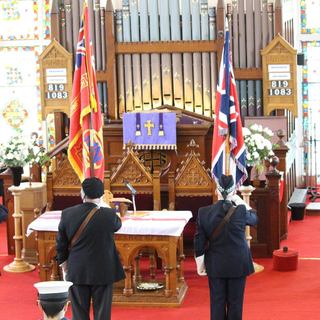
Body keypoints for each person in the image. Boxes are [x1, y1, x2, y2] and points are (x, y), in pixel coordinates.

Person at [56, 177, 125, 320]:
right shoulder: (109, 215)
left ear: (82, 193)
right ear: (101, 195)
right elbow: (118, 225)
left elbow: (61, 242)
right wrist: (104, 205)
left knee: (79, 313)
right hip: (103, 270)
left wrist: (63, 262)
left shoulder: (67, 213)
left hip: (78, 269)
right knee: (102, 313)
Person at [194, 174, 258, 320]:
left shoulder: (203, 212)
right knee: (236, 303)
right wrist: (239, 200)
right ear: (233, 192)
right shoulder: (241, 211)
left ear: (217, 191)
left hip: (216, 263)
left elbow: (199, 241)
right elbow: (255, 219)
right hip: (238, 263)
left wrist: (200, 264)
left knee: (217, 302)